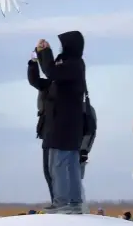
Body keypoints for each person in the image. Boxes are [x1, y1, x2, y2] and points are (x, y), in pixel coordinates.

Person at [27, 32, 88, 214]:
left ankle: (62, 202)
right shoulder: (65, 74)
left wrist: (46, 52)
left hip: (64, 125)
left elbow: (51, 71)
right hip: (67, 125)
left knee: (58, 165)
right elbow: (38, 80)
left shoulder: (74, 65)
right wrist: (34, 58)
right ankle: (74, 202)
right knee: (70, 165)